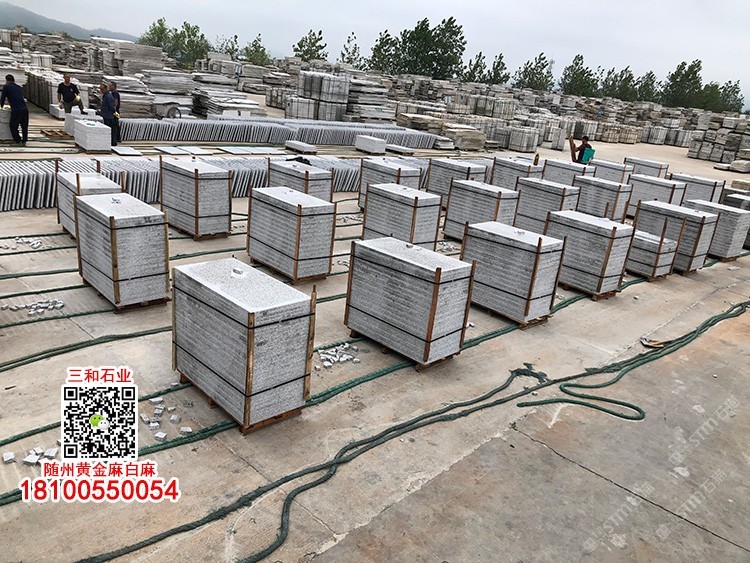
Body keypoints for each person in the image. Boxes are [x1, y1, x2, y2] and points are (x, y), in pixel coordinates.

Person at [0, 74, 28, 145]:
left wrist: (0, 107)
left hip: (16, 110)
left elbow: (2, 98)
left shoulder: (6, 87)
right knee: (24, 126)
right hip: (25, 109)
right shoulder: (19, 87)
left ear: (7, 81)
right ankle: (24, 141)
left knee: (13, 125)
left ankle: (17, 141)